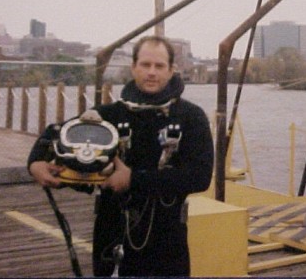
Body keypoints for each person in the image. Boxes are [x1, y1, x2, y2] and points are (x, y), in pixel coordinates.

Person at [27, 35, 214, 277]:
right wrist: (35, 163)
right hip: (112, 235)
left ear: (171, 70)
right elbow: (56, 133)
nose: (152, 72)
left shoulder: (191, 117)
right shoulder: (108, 116)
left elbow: (200, 177)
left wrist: (132, 180)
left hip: (167, 240)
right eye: (145, 65)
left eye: (159, 66)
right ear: (133, 67)